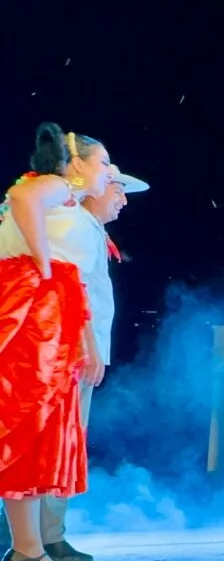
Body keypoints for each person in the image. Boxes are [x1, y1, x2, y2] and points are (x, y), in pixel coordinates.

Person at [0, 123, 111, 561]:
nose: (108, 173)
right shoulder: (52, 186)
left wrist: (87, 343)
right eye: (103, 163)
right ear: (77, 164)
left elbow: (77, 286)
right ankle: (28, 548)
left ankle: (28, 548)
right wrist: (43, 268)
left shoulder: (70, 205)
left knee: (35, 433)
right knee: (24, 426)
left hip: (52, 322)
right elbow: (22, 200)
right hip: (33, 319)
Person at [33, 166, 146, 561]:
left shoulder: (90, 229)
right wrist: (88, 348)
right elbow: (71, 291)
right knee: (50, 444)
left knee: (60, 445)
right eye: (118, 187)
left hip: (73, 353)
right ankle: (35, 536)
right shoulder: (76, 224)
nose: (123, 198)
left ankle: (44, 534)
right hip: (66, 353)